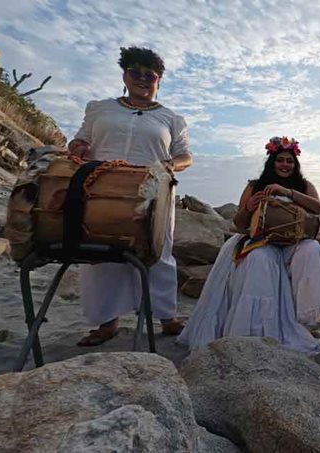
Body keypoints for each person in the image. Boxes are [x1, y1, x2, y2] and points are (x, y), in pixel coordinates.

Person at [67, 46, 192, 346]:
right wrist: (78, 148)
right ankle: (107, 322)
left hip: (153, 191)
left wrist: (170, 165)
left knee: (158, 251)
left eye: (150, 75)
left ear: (159, 80)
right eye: (135, 72)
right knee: (101, 250)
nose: (142, 79)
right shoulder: (100, 109)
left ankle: (166, 317)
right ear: (124, 75)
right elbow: (80, 139)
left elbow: (185, 156)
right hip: (102, 187)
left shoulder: (171, 118)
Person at [176, 137, 320, 353]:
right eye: (280, 160)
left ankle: (305, 318)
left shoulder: (304, 186)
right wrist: (250, 207)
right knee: (260, 259)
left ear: (295, 164)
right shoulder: (255, 186)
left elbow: (316, 208)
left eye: (289, 161)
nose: (285, 165)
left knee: (313, 250)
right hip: (260, 240)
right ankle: (255, 329)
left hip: (292, 241)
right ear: (272, 162)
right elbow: (239, 224)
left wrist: (287, 192)